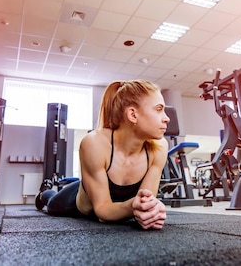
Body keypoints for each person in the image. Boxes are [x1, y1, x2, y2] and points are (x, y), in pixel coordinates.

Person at [36, 79, 170, 230]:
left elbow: (146, 202)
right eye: (159, 109)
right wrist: (134, 206)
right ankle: (44, 192)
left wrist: (150, 210)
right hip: (80, 203)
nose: (167, 118)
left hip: (115, 204)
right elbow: (102, 210)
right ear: (133, 115)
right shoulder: (94, 143)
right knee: (52, 204)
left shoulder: (159, 147)